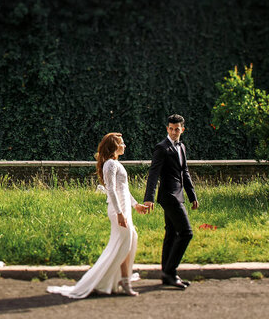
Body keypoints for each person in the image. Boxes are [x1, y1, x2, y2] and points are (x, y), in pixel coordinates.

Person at [47, 132, 149, 298]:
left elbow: (123, 189)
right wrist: (119, 213)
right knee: (124, 244)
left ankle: (122, 279)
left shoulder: (115, 163)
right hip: (118, 210)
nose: (124, 146)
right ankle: (123, 281)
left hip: (124, 208)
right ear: (114, 146)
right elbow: (111, 190)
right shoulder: (110, 164)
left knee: (128, 241)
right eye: (121, 143)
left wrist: (135, 205)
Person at [143, 114, 199, 289]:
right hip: (169, 196)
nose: (174, 132)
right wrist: (148, 198)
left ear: (182, 130)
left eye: (177, 129)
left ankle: (166, 274)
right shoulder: (162, 148)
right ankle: (170, 271)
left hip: (179, 195)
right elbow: (153, 173)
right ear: (167, 129)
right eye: (171, 129)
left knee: (172, 233)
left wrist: (192, 196)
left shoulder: (181, 146)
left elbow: (185, 172)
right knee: (186, 233)